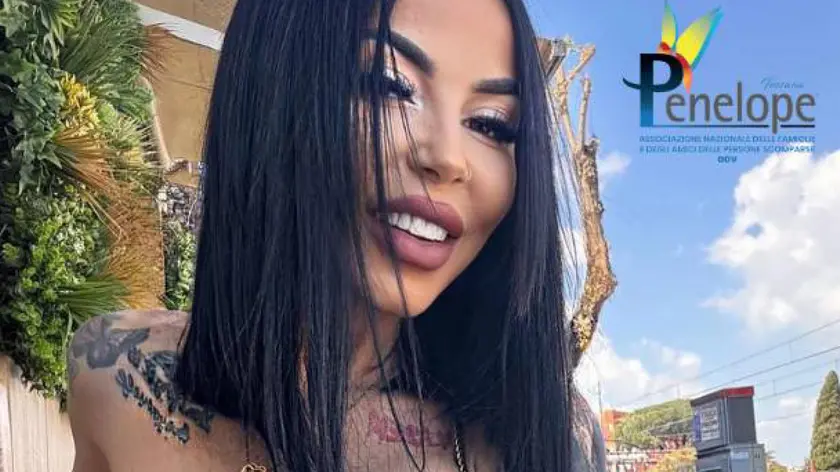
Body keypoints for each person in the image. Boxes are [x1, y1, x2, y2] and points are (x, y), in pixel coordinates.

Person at [66, 0, 607, 470]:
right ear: (274, 87)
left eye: (491, 124)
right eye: (389, 85)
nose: (447, 158)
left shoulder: (553, 434)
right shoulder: (119, 375)